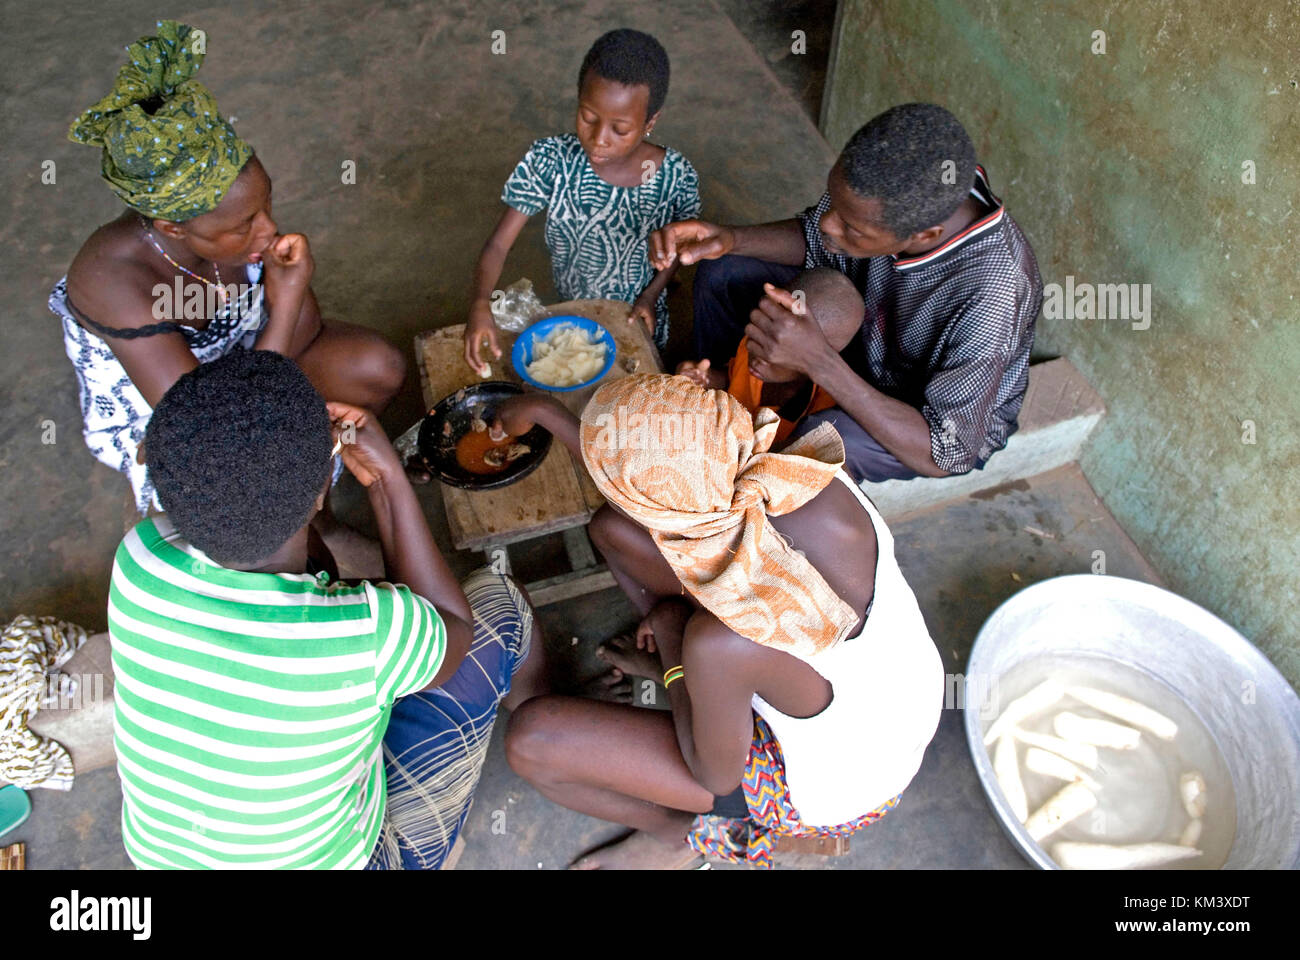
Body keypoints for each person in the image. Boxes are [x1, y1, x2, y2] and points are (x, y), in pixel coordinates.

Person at [108, 349, 549, 868]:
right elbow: (454, 631)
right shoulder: (372, 631)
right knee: (497, 603)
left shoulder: (139, 562)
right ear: (324, 488)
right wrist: (388, 483)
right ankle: (539, 718)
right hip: (356, 860)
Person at [495, 375, 944, 868]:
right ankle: (709, 694)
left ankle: (676, 835)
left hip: (834, 784)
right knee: (614, 529)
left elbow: (716, 776)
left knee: (532, 739)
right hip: (887, 696)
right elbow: (654, 486)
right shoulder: (803, 474)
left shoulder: (720, 643)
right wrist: (547, 413)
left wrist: (671, 646)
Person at [51, 21, 405, 515]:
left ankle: (310, 494)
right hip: (185, 422)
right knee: (246, 479)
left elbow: (307, 333)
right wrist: (283, 306)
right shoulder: (112, 278)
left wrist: (292, 296)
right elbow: (213, 424)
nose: (269, 230)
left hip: (251, 372)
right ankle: (285, 519)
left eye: (267, 207)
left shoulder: (240, 241)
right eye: (244, 225)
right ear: (172, 227)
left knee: (376, 367)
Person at [649, 103, 1043, 485]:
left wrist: (818, 360)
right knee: (726, 270)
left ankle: (752, 477)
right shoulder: (904, 188)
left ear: (924, 236)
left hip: (915, 420)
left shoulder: (994, 296)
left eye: (851, 227)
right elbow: (817, 239)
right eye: (833, 204)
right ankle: (718, 398)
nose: (828, 223)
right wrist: (730, 238)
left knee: (830, 436)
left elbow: (947, 452)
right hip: (860, 331)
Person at [463, 27, 701, 367]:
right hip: (574, 312)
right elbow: (499, 245)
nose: (598, 139)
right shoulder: (552, 159)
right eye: (588, 117)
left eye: (620, 129)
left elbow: (680, 249)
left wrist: (651, 295)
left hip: (640, 317)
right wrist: (480, 302)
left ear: (650, 122)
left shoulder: (675, 176)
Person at [675, 267, 862, 446]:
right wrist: (705, 379)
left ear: (817, 356)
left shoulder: (821, 412)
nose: (760, 352)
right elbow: (733, 378)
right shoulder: (757, 342)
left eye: (783, 347)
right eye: (769, 327)